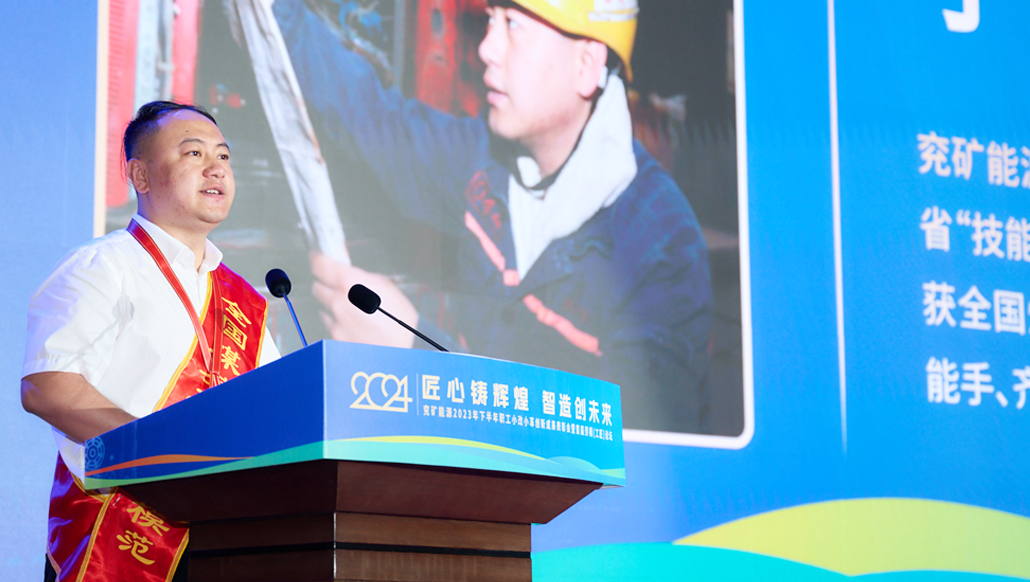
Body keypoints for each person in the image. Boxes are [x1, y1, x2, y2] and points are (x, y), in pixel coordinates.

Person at [275, 0, 713, 432]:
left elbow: (627, 453)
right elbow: (368, 115)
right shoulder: (483, 162)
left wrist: (414, 352)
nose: (487, 48)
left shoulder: (662, 252)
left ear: (585, 65)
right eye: (490, 20)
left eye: (514, 25)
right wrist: (273, 12)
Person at [21, 101, 280, 582]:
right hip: (121, 545)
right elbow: (48, 387)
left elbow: (274, 414)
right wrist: (172, 455)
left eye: (223, 156)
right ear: (139, 175)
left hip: (223, 554)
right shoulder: (103, 266)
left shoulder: (245, 301)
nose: (216, 168)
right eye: (193, 153)